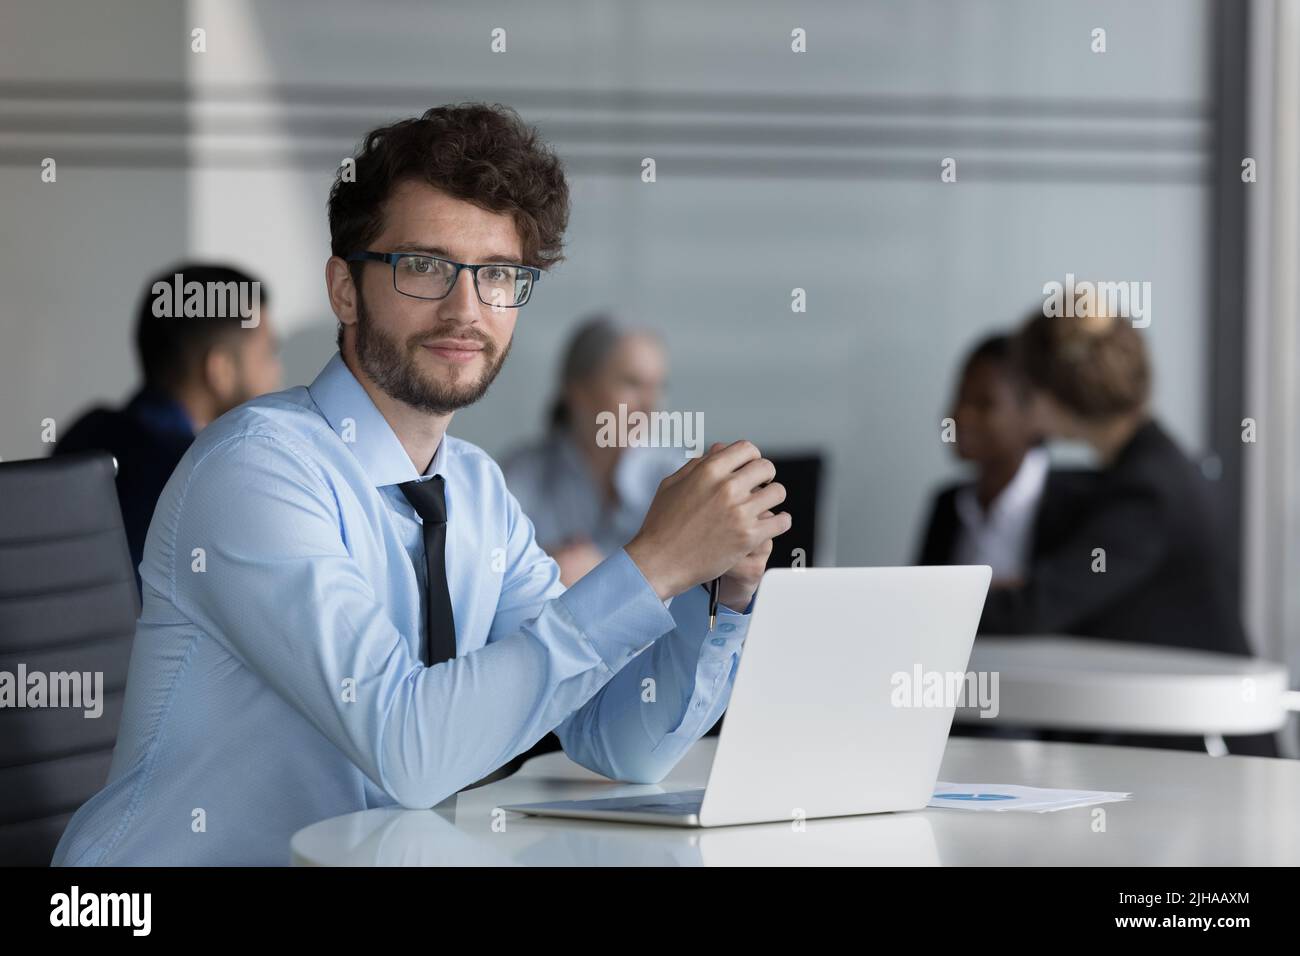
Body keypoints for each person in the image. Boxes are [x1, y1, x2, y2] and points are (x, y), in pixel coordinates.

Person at [51, 103, 790, 865]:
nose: (466, 309)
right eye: (426, 266)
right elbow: (411, 752)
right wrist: (653, 565)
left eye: (498, 275)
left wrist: (716, 595)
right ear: (345, 290)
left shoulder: (473, 489)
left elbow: (618, 738)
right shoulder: (256, 469)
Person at [981, 307, 1276, 756]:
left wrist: (939, 604)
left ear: (1049, 397)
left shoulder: (1147, 491)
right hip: (1180, 743)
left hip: (1209, 757)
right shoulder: (1151, 468)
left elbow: (1040, 605)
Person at [53, 263, 282, 583]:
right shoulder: (209, 475)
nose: (276, 372)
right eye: (268, 353)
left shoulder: (84, 433)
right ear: (221, 370)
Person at [501, 315, 685, 587]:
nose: (650, 405)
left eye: (658, 387)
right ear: (578, 390)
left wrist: (598, 575)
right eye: (632, 383)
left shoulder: (679, 477)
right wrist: (548, 567)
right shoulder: (520, 475)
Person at [916, 333, 1095, 581]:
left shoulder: (1080, 506)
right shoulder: (948, 506)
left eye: (984, 404)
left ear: (1034, 415)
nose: (961, 415)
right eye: (960, 397)